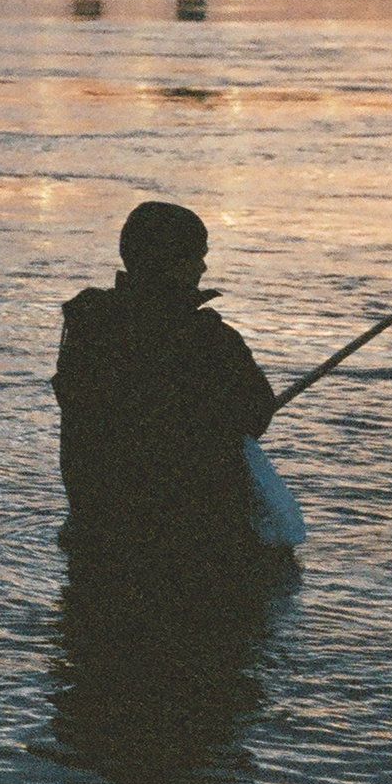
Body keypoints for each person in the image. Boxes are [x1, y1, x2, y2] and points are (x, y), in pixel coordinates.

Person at [52, 201, 276, 564]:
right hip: (187, 540)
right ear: (174, 263)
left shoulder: (90, 326)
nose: (204, 267)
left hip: (98, 529)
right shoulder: (209, 340)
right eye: (196, 257)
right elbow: (255, 414)